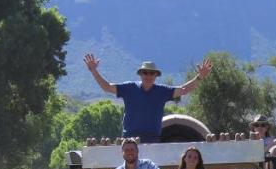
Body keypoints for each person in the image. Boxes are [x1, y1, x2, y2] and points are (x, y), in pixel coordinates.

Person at [83, 54, 212, 143]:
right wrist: (94, 71)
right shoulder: (129, 88)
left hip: (152, 138)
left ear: (156, 75)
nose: (148, 75)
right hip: (129, 139)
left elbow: (183, 90)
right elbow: (106, 87)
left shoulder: (162, 91)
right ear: (140, 74)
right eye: (145, 72)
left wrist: (199, 77)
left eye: (152, 73)